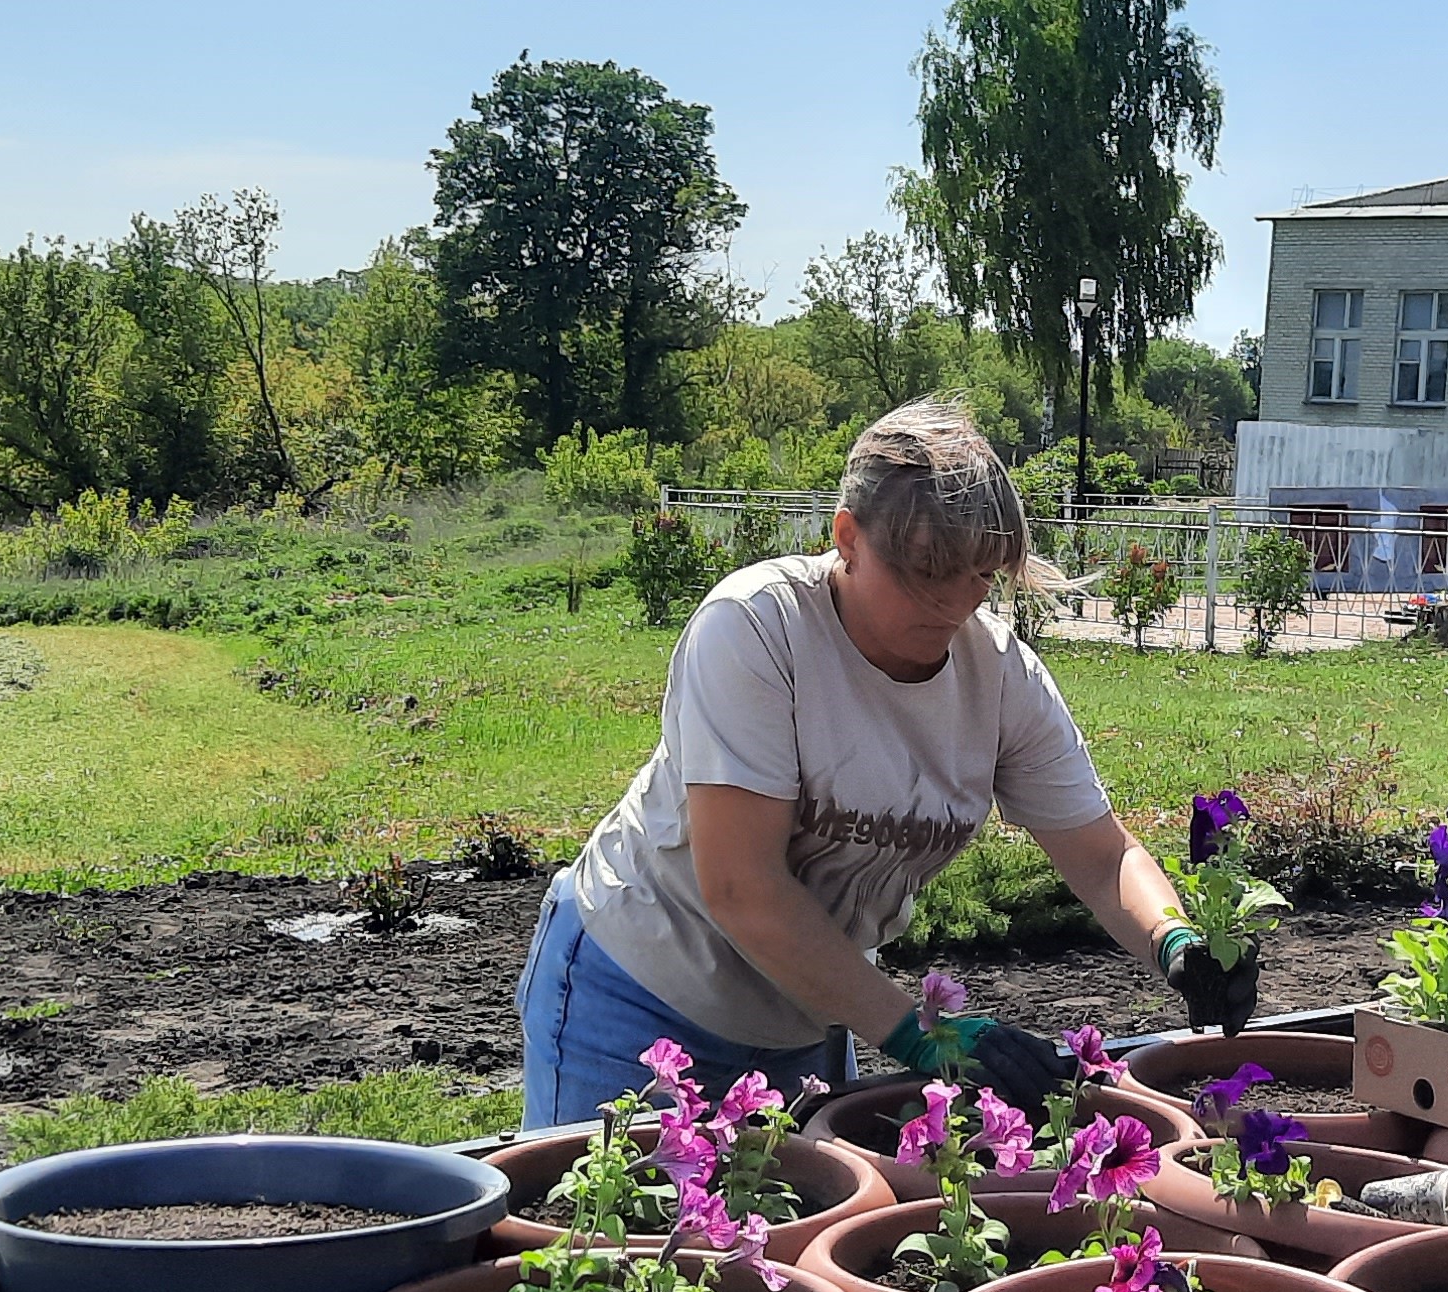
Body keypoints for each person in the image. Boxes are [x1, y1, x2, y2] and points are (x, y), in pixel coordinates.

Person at [517, 399, 1209, 1123]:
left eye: (977, 575)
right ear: (846, 537)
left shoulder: (998, 675)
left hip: (806, 1015)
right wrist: (921, 1035)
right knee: (600, 1229)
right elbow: (741, 885)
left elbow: (1099, 856)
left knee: (780, 1231)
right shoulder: (757, 628)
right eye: (922, 571)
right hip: (635, 995)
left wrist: (1175, 940)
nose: (950, 602)